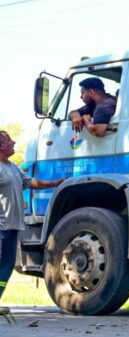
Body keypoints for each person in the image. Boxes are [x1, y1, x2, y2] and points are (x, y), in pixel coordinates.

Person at [0, 130, 64, 317]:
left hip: (13, 226)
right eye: (8, 140)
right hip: (1, 225)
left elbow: (32, 183)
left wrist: (55, 184)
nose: (13, 142)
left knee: (7, 265)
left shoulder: (12, 167)